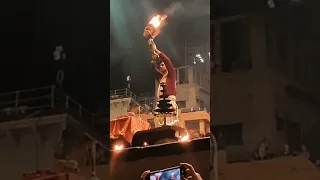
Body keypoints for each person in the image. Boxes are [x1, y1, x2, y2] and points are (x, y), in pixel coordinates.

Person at [148, 39, 178, 127]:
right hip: (160, 103)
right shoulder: (161, 78)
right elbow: (153, 71)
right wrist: (153, 60)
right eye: (160, 64)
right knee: (159, 127)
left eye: (162, 64)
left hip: (169, 103)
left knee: (169, 127)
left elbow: (167, 61)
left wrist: (156, 50)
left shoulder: (171, 74)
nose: (161, 65)